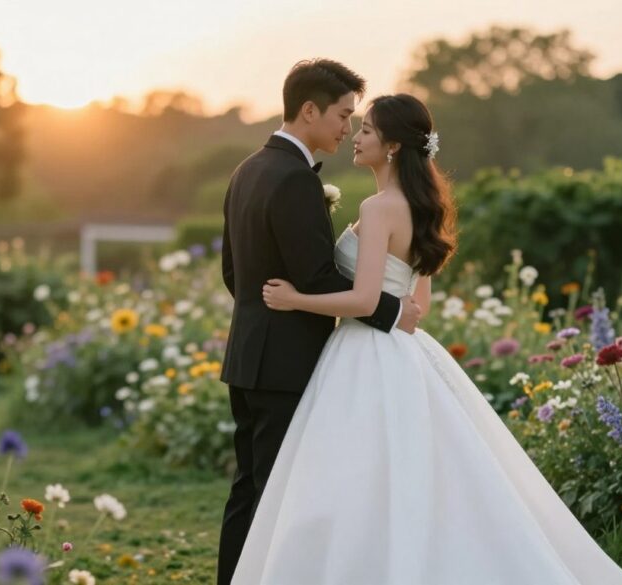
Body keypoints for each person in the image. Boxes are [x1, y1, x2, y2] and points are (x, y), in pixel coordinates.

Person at [231, 93, 622, 584]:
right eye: (354, 126)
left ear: (394, 145)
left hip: (363, 351)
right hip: (404, 352)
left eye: (366, 131)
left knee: (354, 479)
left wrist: (298, 299)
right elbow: (416, 306)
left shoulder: (379, 208)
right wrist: (394, 309)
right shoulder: (425, 207)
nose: (355, 138)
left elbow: (363, 302)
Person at [216, 59, 422, 585]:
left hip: (246, 355)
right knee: (279, 491)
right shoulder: (293, 180)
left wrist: (267, 310)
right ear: (309, 110)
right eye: (342, 114)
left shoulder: (247, 170)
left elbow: (233, 274)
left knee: (250, 489)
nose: (347, 127)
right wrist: (394, 311)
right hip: (285, 362)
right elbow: (316, 277)